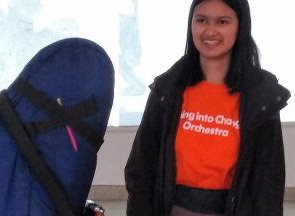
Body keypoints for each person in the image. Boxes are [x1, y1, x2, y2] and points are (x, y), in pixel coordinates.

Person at [124, 0, 291, 215]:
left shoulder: (261, 96)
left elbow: (268, 182)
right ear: (191, 24)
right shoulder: (168, 89)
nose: (210, 31)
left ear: (240, 26)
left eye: (222, 21)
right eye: (201, 20)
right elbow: (141, 169)